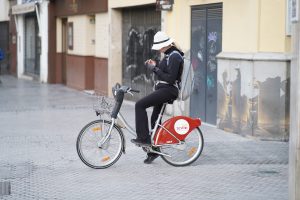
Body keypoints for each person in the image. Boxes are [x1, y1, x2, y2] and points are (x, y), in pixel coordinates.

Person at [131, 31, 184, 164]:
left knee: (140, 105)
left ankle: (143, 138)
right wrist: (154, 65)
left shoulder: (175, 56)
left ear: (165, 45)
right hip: (164, 89)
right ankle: (153, 151)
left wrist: (155, 69)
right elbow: (163, 73)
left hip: (169, 90)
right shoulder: (168, 55)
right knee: (155, 120)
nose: (159, 49)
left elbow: (170, 79)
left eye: (159, 47)